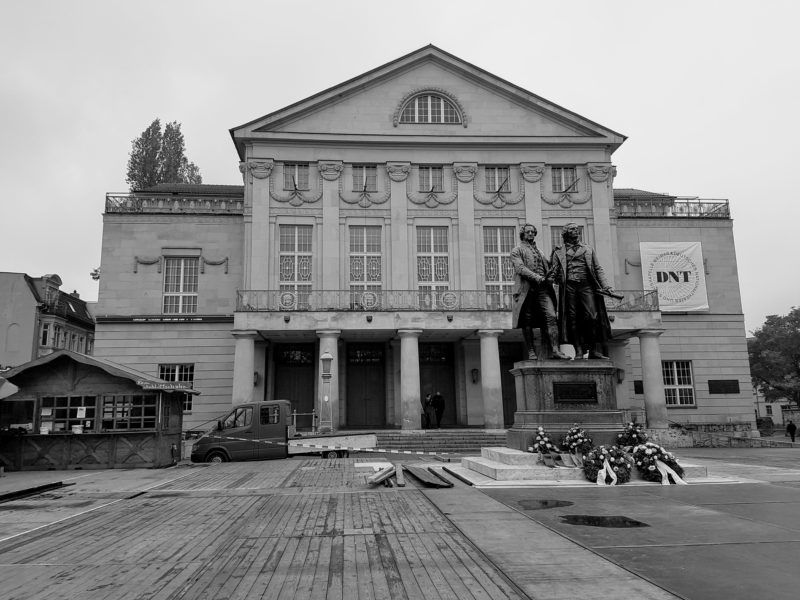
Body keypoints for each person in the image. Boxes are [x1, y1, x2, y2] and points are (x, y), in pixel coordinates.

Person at [549, 223, 618, 359]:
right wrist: (549, 276)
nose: (576, 231)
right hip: (569, 288)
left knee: (592, 316)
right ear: (566, 233)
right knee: (573, 319)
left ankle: (593, 350)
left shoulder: (588, 249)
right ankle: (578, 351)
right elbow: (554, 273)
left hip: (586, 286)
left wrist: (606, 286)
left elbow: (598, 269)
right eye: (572, 229)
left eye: (576, 229)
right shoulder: (558, 252)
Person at [510, 223, 569, 360]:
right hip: (526, 289)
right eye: (528, 232)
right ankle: (531, 351)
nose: (530, 234)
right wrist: (537, 278)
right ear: (523, 234)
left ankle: (555, 350)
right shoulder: (517, 250)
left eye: (532, 232)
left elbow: (549, 268)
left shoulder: (540, 252)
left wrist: (557, 254)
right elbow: (520, 268)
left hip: (543, 289)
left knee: (551, 317)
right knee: (527, 321)